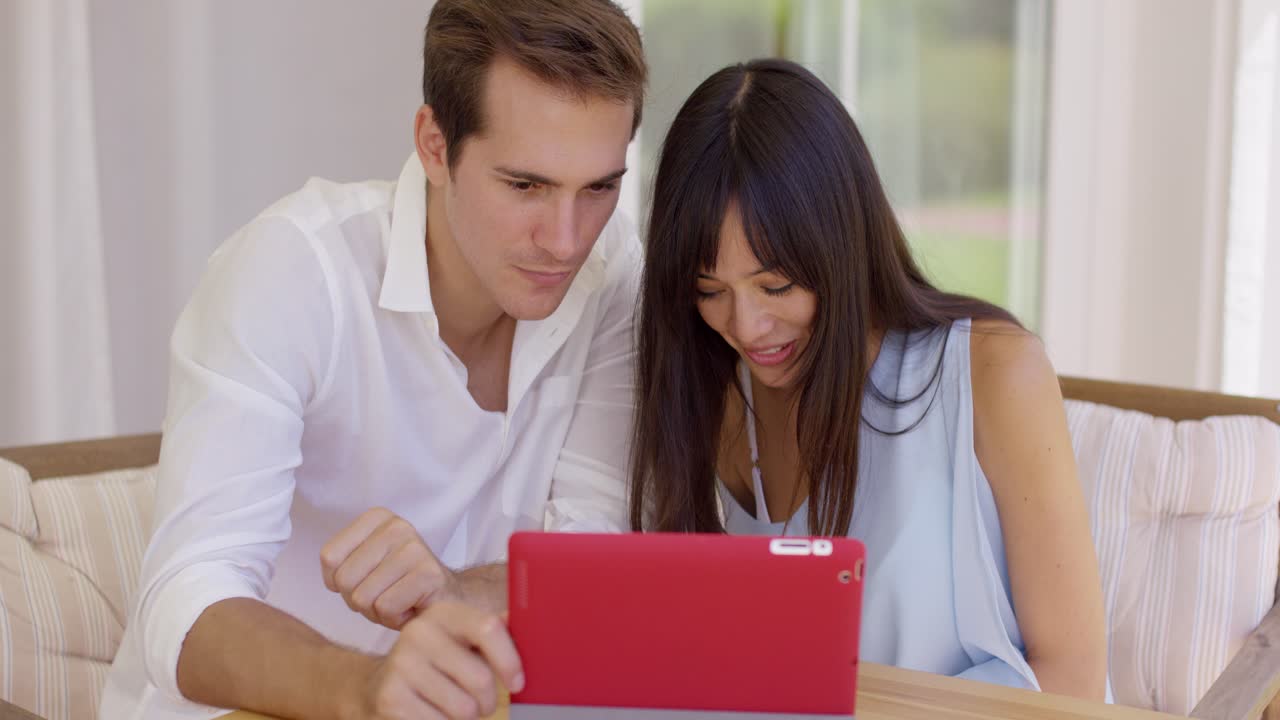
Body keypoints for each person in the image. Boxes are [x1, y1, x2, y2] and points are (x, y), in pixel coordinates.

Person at [100, 2, 645, 719]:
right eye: (526, 186)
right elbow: (187, 598)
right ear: (433, 144)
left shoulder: (612, 273)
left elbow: (590, 571)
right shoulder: (293, 271)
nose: (568, 241)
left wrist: (453, 587)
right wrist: (366, 688)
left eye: (599, 187)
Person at [629, 58, 1108, 700]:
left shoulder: (991, 371)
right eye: (708, 290)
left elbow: (1074, 678)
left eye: (776, 285)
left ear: (843, 242)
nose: (746, 327)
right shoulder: (719, 401)